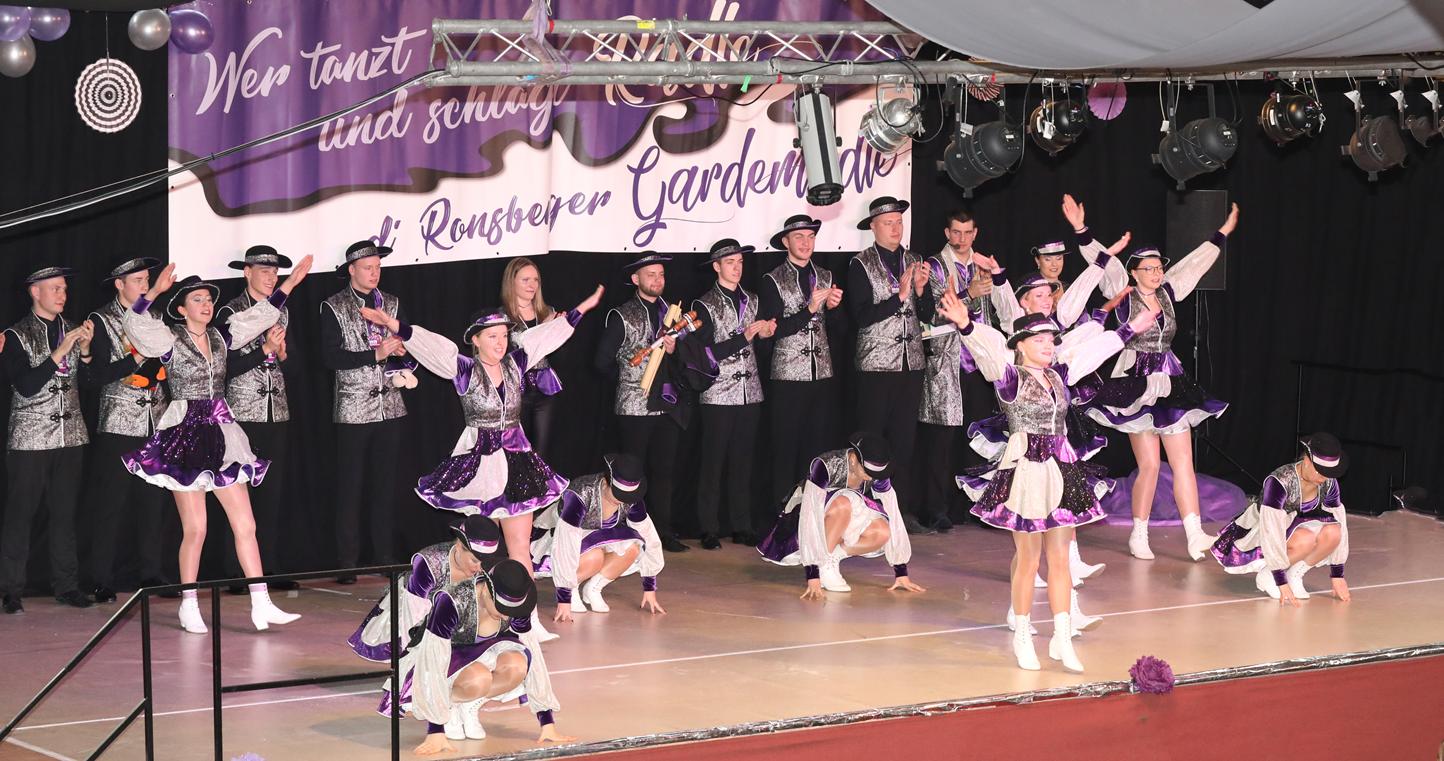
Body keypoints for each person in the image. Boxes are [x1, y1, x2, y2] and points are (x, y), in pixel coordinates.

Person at [938, 283, 1159, 673]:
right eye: (1038, 339)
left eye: (1051, 339)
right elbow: (987, 352)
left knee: (1060, 559)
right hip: (1026, 470)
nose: (1048, 345)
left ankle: (1061, 637)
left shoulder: (1059, 375)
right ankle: (1023, 635)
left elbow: (1093, 352)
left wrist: (1130, 330)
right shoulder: (1009, 377)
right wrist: (967, 325)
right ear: (1021, 345)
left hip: (1061, 468)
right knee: (1028, 559)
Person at [120, 259, 313, 634]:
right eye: (197, 299)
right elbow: (134, 323)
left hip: (222, 431)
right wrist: (155, 290)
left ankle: (261, 603)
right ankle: (188, 604)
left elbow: (260, 316)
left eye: (208, 299)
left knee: (246, 524)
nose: (206, 304)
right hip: (184, 433)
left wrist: (289, 284)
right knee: (196, 529)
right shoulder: (168, 339)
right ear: (181, 309)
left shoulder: (223, 336)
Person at [358, 286, 603, 576]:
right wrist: (391, 323)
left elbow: (547, 338)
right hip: (481, 468)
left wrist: (582, 308)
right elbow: (429, 345)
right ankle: (473, 598)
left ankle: (524, 605)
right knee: (480, 549)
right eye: (492, 336)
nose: (500, 343)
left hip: (519, 463)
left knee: (520, 547)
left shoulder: (517, 363)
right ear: (475, 340)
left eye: (504, 336)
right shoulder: (464, 370)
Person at [1089, 204, 1240, 561]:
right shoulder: (1122, 293)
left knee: (1183, 462)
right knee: (1151, 465)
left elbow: (1194, 264)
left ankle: (1194, 534)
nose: (1157, 273)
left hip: (1170, 379)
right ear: (1134, 272)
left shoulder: (1169, 292)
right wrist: (1083, 232)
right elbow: (1103, 262)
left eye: (1159, 268)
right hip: (1135, 381)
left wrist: (1221, 234)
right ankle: (1138, 533)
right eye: (1150, 269)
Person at [389, 559, 572, 753]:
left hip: (482, 652)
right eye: (501, 608)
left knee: (518, 665)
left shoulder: (519, 599)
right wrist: (436, 729)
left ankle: (467, 704)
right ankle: (448, 707)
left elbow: (534, 654)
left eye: (511, 611)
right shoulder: (453, 600)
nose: (506, 617)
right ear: (485, 590)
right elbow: (433, 657)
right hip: (440, 658)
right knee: (479, 678)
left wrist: (547, 721)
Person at [1, 266, 95, 614]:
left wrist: (86, 351)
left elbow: (89, 382)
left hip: (70, 437)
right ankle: (10, 590)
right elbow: (26, 386)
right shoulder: (16, 335)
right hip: (30, 439)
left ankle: (67, 586)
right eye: (54, 288)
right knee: (20, 515)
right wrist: (60, 352)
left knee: (65, 515)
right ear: (34, 292)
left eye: (64, 289)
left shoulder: (73, 329)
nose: (62, 295)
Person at [321, 240, 414, 582]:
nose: (374, 273)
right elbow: (330, 357)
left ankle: (384, 556)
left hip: (390, 407)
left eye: (377, 267)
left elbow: (408, 345)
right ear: (351, 270)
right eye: (367, 268)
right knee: (350, 487)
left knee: (385, 486)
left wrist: (402, 351)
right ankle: (347, 561)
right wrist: (373, 355)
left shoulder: (392, 303)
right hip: (353, 409)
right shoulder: (334, 306)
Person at [84, 257, 171, 603]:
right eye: (138, 280)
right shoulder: (101, 319)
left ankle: (151, 572)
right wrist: (136, 358)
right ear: (119, 284)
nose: (145, 285)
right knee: (112, 503)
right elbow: (97, 375)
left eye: (147, 280)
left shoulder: (155, 316)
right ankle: (100, 577)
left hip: (155, 418)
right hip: (118, 420)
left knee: (153, 502)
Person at [593, 253, 689, 552]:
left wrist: (674, 351)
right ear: (636, 279)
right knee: (632, 474)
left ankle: (663, 533)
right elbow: (601, 362)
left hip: (667, 403)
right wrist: (630, 379)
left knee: (665, 471)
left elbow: (689, 360)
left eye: (661, 274)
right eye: (651, 274)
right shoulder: (622, 315)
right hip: (634, 406)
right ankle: (627, 532)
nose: (657, 280)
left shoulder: (673, 314)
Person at [847, 197, 934, 530]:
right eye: (888, 223)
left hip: (910, 364)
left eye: (899, 222)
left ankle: (901, 511)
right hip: (875, 365)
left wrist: (921, 292)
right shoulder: (860, 263)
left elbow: (927, 314)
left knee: (904, 440)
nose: (896, 228)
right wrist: (897, 298)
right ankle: (865, 511)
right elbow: (861, 316)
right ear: (873, 227)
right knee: (871, 440)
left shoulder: (915, 260)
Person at [217, 246, 299, 595]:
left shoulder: (283, 311)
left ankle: (268, 567)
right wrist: (263, 350)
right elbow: (225, 367)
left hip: (275, 411)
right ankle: (235, 571)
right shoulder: (230, 311)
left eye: (275, 273)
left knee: (272, 495)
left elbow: (293, 365)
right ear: (246, 272)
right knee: (238, 493)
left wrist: (281, 353)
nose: (271, 277)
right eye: (264, 271)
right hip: (241, 413)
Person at [758, 432, 925, 598]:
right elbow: (810, 513)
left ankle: (831, 558)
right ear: (853, 460)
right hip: (808, 517)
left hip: (844, 515)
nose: (871, 478)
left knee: (882, 531)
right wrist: (813, 574)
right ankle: (822, 565)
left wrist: (901, 571)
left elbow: (892, 510)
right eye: (867, 472)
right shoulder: (825, 465)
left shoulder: (875, 475)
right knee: (843, 504)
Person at [757, 214, 844, 513]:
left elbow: (840, 329)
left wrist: (834, 308)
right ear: (786, 242)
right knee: (785, 449)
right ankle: (781, 515)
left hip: (822, 374)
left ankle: (812, 513)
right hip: (787, 376)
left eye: (810, 237)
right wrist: (809, 309)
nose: (806, 243)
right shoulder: (772, 280)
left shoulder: (826, 275)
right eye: (799, 237)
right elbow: (773, 331)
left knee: (816, 448)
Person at [691, 238, 774, 548]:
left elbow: (759, 346)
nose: (737, 268)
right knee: (713, 463)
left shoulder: (753, 299)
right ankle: (708, 528)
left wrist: (765, 334)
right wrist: (745, 337)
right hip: (717, 392)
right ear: (716, 266)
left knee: (743, 461)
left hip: (749, 391)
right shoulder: (704, 304)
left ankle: (741, 525)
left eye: (739, 262)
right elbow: (704, 354)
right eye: (730, 263)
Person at [1211, 433, 1352, 606]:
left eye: (1328, 473)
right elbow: (1271, 528)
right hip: (1265, 528)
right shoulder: (1279, 482)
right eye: (1320, 471)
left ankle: (1295, 573)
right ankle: (1268, 574)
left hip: (1295, 525)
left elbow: (1339, 517)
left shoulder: (1328, 482)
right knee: (1306, 539)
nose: (1323, 478)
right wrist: (1279, 578)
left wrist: (1337, 574)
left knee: (1333, 532)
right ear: (1306, 461)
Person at [350, 515, 503, 664]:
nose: (479, 568)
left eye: (485, 562)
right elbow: (412, 613)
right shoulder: (429, 562)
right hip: (417, 618)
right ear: (458, 546)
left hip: (457, 622)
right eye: (474, 560)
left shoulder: (489, 569)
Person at [531, 453, 666, 621]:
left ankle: (593, 589)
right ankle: (573, 587)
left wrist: (649, 587)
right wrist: (564, 597)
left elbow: (648, 534)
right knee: (595, 556)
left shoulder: (632, 498)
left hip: (595, 539)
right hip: (559, 540)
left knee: (633, 548)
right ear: (606, 483)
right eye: (618, 494)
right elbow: (565, 541)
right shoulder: (580, 494)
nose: (623, 501)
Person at [501, 257, 564, 458]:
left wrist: (560, 328)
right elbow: (505, 354)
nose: (532, 285)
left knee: (541, 453)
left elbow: (556, 351)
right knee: (516, 452)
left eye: (535, 280)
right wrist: (544, 328)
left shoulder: (547, 311)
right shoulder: (502, 316)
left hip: (545, 388)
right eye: (525, 280)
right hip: (515, 389)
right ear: (512, 282)